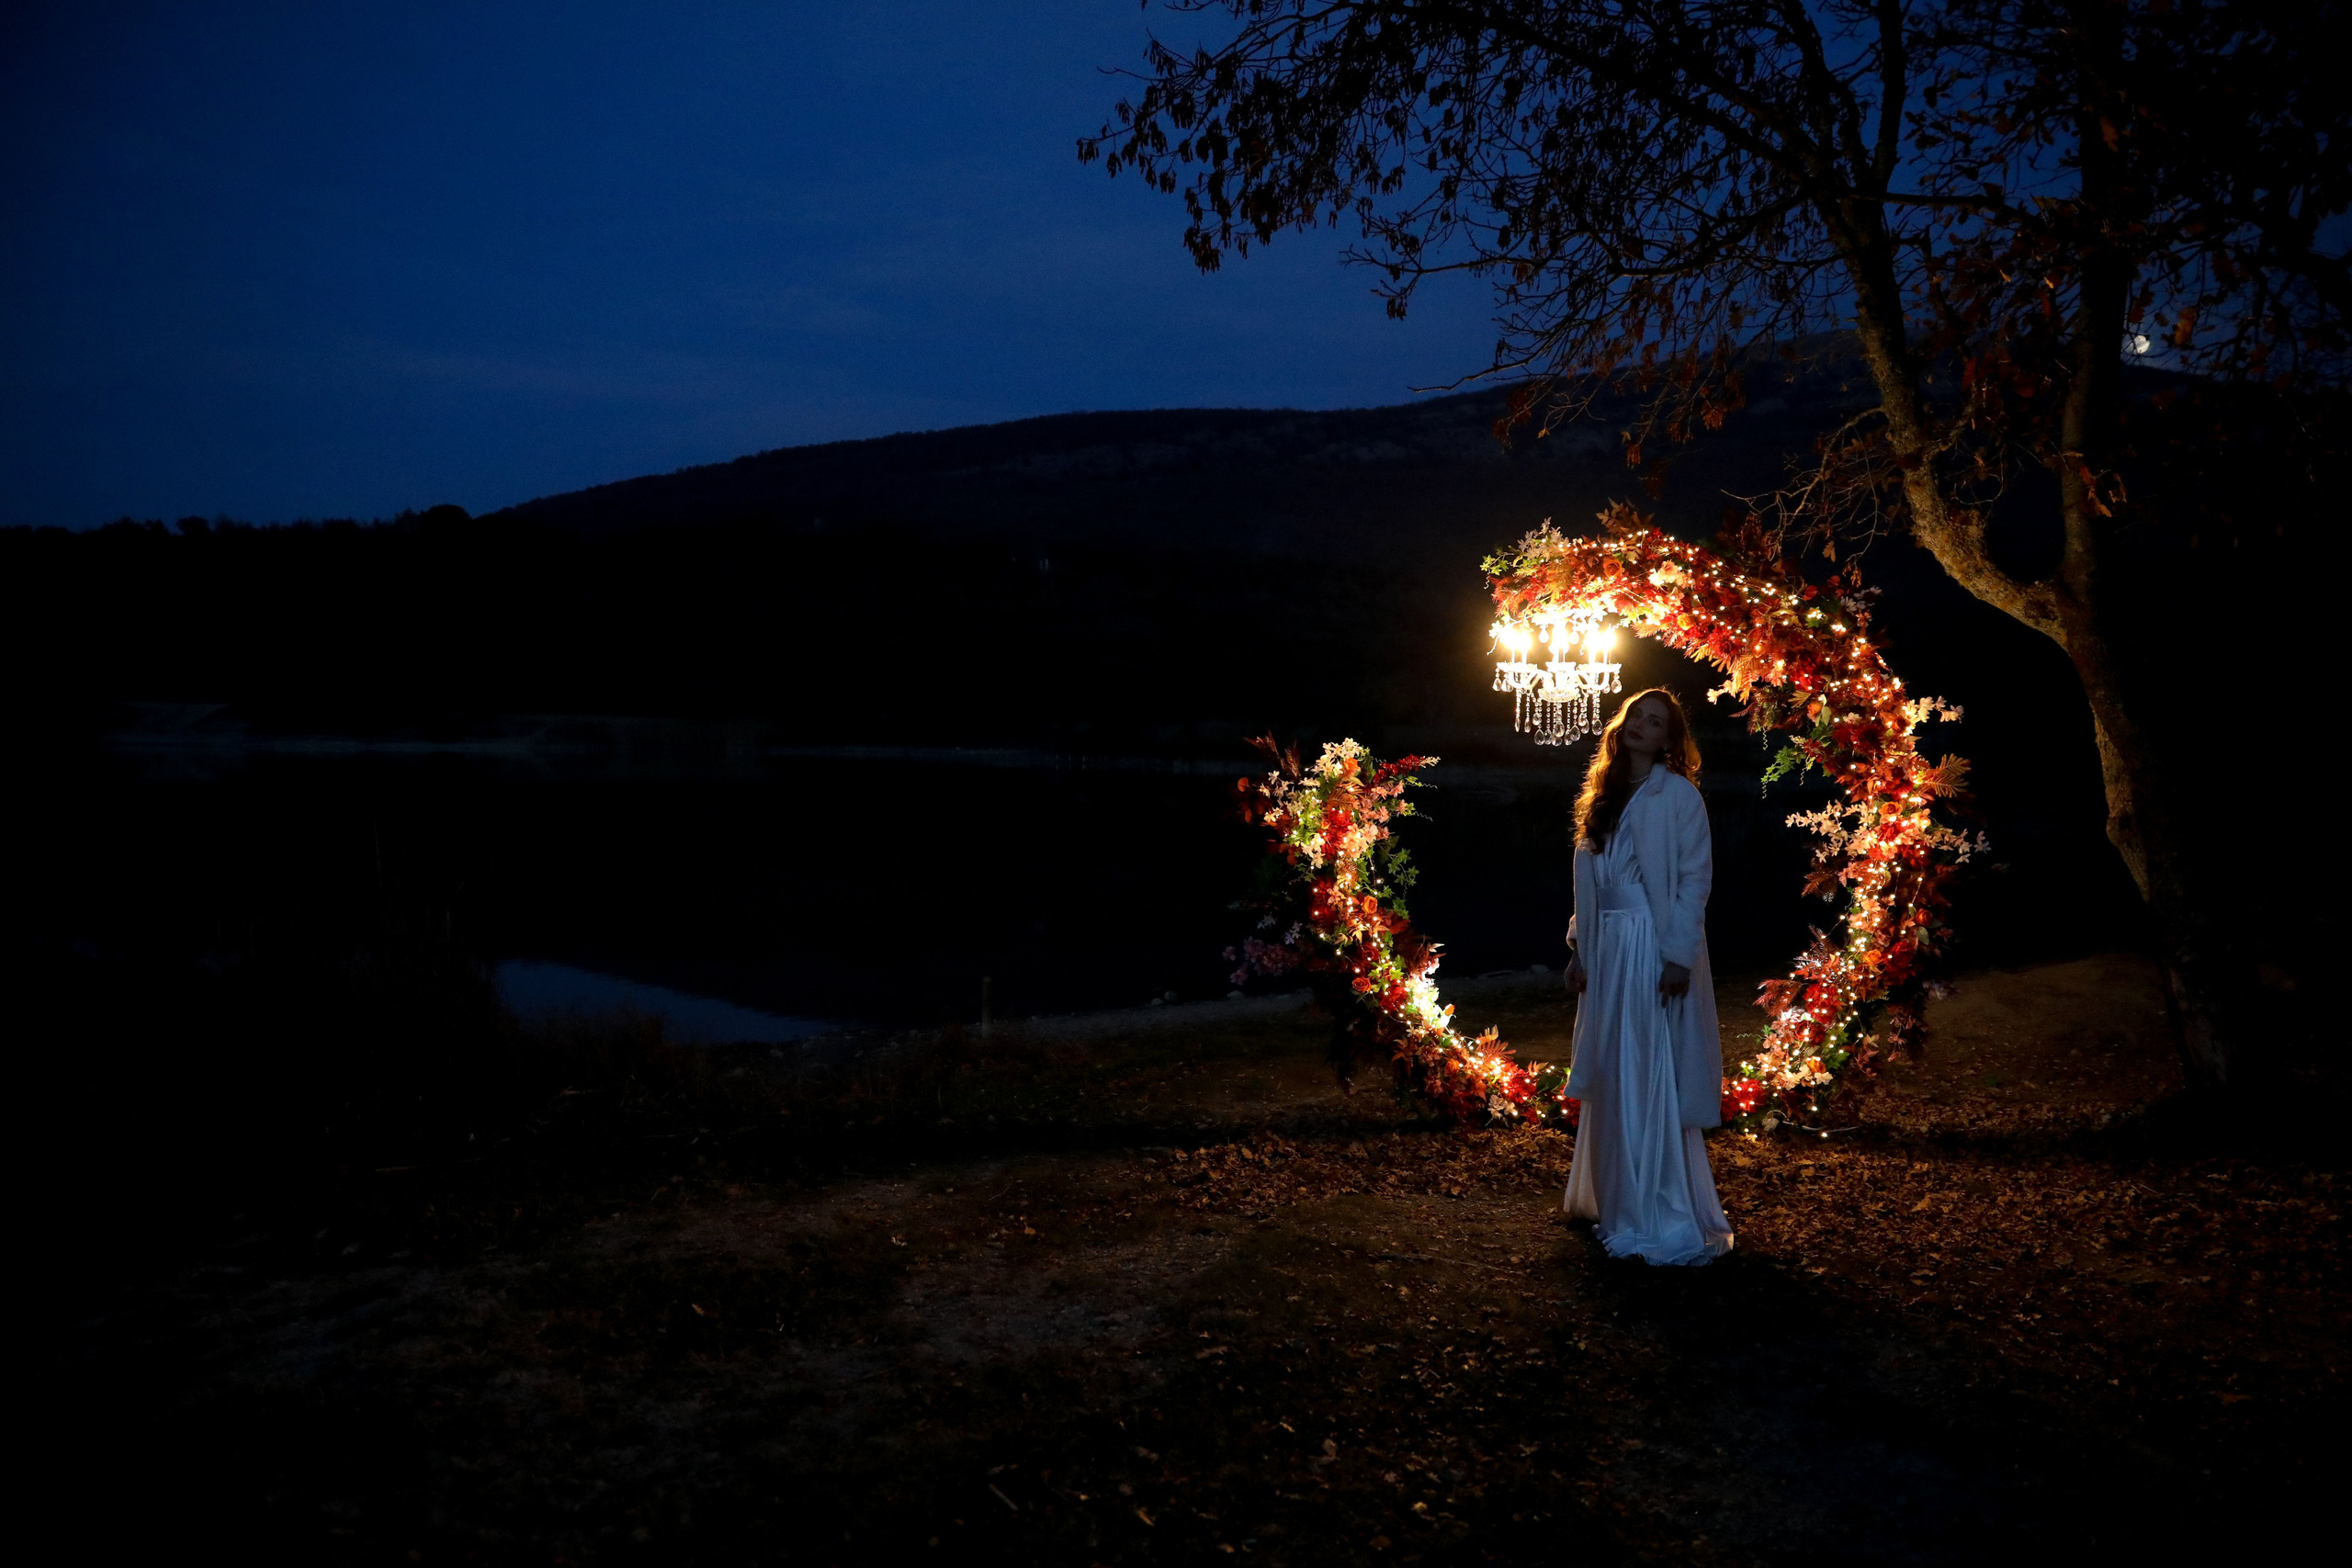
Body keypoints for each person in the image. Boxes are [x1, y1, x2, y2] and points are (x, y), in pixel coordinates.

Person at [1561, 688, 1735, 1266]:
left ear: (1668, 739)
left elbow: (1694, 878)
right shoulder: (1603, 794)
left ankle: (1653, 1205)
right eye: (1636, 715)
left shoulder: (1678, 795)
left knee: (1644, 1062)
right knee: (1612, 1064)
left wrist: (1678, 954)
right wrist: (1579, 948)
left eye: (1655, 721)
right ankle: (1612, 1194)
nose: (1642, 725)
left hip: (1647, 942)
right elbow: (1591, 883)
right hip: (1607, 946)